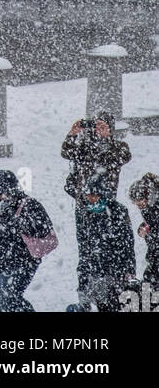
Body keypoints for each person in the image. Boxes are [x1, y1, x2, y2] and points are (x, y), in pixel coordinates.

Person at [61, 114, 132, 310]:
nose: (96, 129)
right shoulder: (85, 147)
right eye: (95, 125)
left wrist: (106, 138)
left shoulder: (116, 148)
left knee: (107, 249)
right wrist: (72, 134)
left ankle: (108, 291)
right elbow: (66, 152)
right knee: (85, 250)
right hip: (84, 207)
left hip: (106, 208)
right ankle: (85, 290)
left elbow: (124, 156)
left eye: (101, 126)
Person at [0, 169, 56, 312]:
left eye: (0, 193)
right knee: (4, 302)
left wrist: (20, 223)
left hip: (22, 263)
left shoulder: (29, 205)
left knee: (10, 298)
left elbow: (44, 229)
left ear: (11, 190)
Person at [66, 172, 137, 312]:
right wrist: (83, 279)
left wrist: (129, 270)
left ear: (103, 194)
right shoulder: (83, 212)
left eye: (94, 195)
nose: (91, 199)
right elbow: (83, 247)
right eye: (88, 195)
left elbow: (127, 243)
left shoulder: (118, 211)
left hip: (116, 268)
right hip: (95, 269)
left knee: (114, 305)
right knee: (101, 303)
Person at [128, 172, 159, 286]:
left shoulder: (155, 206)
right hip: (154, 255)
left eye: (139, 202)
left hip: (156, 254)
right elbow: (152, 223)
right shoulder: (149, 207)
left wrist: (150, 233)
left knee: (150, 281)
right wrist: (144, 227)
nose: (137, 205)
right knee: (149, 280)